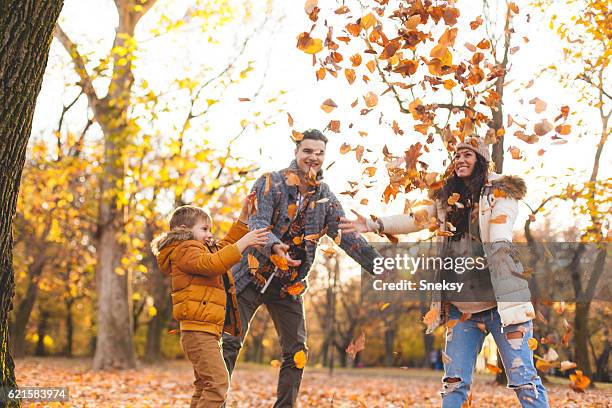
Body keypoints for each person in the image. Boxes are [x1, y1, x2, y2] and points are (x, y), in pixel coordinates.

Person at [339, 137, 549, 407]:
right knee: (454, 385)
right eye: (457, 155)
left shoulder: (501, 192)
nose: (461, 159)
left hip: (504, 308)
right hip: (462, 313)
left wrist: (497, 249)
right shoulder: (446, 201)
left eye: (468, 155)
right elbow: (414, 219)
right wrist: (372, 224)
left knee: (523, 379)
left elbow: (500, 230)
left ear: (481, 160)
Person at [222, 129, 380, 407]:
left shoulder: (326, 197)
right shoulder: (270, 183)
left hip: (288, 286)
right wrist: (273, 246)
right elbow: (258, 223)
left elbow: (347, 237)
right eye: (308, 151)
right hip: (250, 276)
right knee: (230, 343)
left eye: (319, 153)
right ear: (296, 152)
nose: (313, 157)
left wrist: (381, 266)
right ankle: (214, 402)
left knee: (296, 352)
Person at [151, 200, 268, 408]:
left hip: (206, 330)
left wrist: (243, 219)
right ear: (184, 230)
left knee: (205, 385)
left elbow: (222, 249)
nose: (209, 234)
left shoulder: (198, 249)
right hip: (198, 332)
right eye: (204, 229)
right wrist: (245, 243)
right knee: (218, 383)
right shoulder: (184, 250)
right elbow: (214, 263)